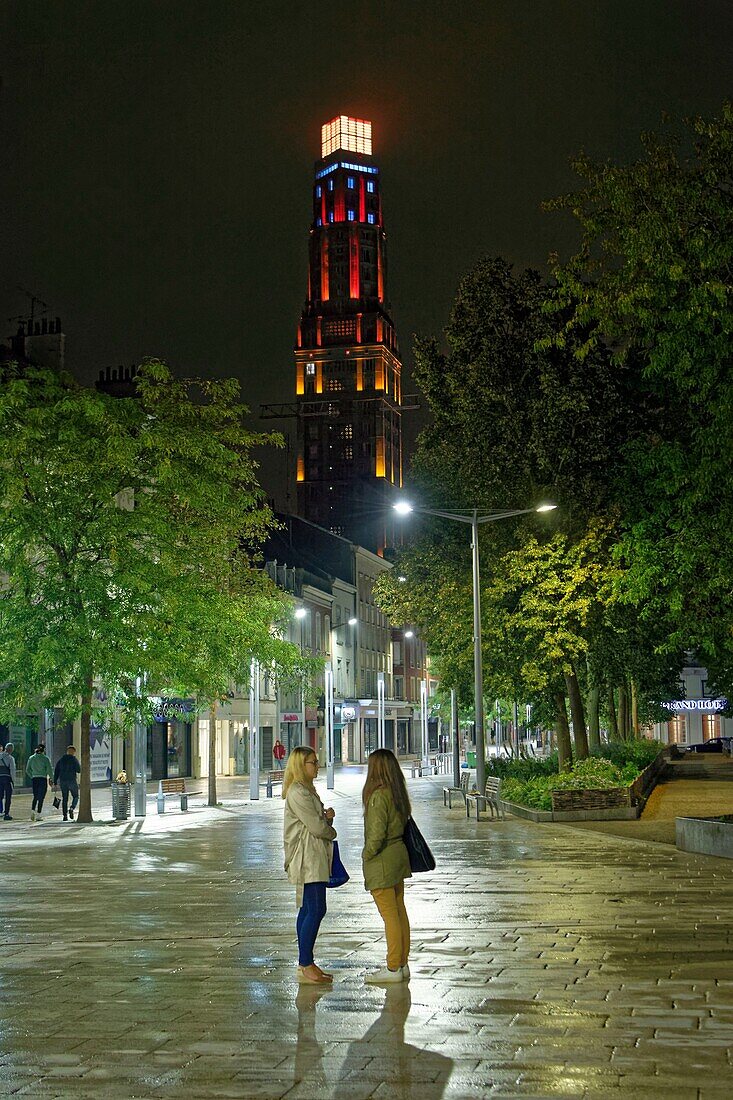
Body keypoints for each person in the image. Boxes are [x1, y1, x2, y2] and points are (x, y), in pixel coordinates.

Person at [283, 745, 337, 985]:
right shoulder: (298, 792)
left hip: (313, 855)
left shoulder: (306, 790)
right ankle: (305, 963)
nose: (317, 766)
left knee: (309, 909)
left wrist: (325, 818)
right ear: (300, 766)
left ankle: (306, 962)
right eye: (313, 762)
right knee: (315, 909)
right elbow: (316, 827)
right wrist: (330, 829)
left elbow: (314, 821)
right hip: (307, 858)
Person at [362, 748, 412, 983]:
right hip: (398, 855)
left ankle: (393, 966)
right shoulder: (397, 793)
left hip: (382, 859)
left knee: (389, 915)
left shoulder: (378, 796)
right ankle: (402, 963)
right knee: (399, 911)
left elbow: (376, 833)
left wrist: (366, 855)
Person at [26, 743, 53, 821]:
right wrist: (52, 779)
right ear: (43, 750)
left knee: (35, 796)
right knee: (41, 797)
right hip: (42, 779)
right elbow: (49, 770)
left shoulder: (31, 758)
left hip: (34, 779)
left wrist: (32, 776)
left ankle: (32, 811)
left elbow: (27, 770)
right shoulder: (45, 759)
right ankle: (38, 814)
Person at [54, 745, 81, 821]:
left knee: (65, 799)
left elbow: (56, 771)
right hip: (72, 780)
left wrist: (55, 781)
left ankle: (65, 816)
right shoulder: (74, 759)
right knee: (75, 796)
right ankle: (72, 808)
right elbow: (79, 770)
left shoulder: (61, 760)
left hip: (63, 781)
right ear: (74, 752)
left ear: (67, 751)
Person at [0, 742, 17, 821]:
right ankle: (6, 814)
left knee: (0, 796)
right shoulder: (10, 758)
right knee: (8, 797)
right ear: (11, 750)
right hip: (7, 779)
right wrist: (13, 782)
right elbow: (12, 771)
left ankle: (0, 811)